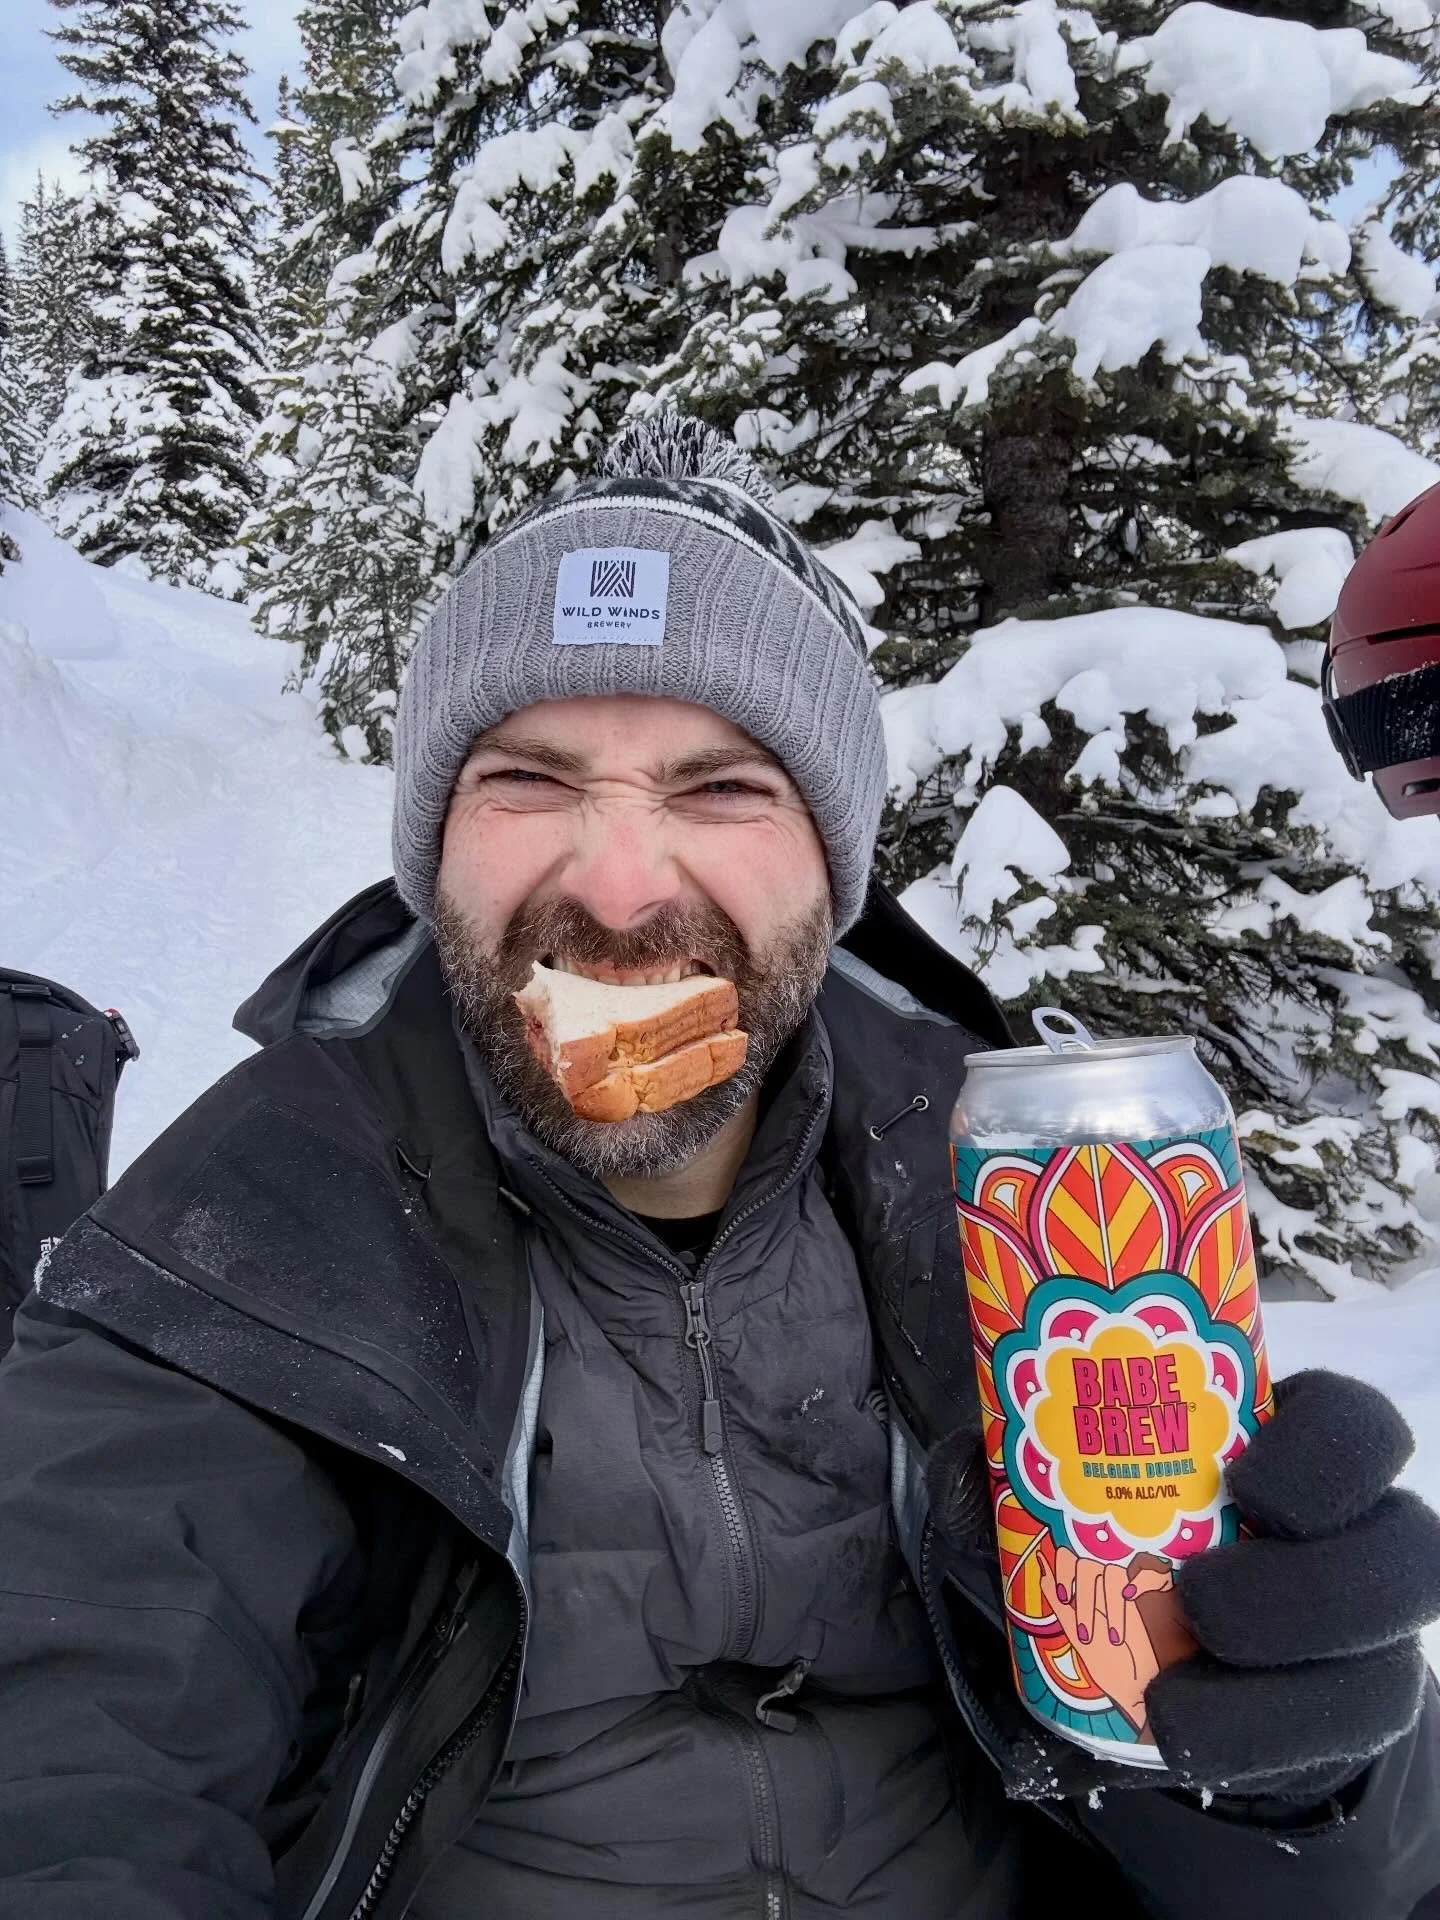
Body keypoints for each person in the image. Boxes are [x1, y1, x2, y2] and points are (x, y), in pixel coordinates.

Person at [1, 415, 1438, 1920]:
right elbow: (72, 1721)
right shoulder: (241, 1219)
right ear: (434, 853)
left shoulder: (1016, 1215)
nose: (620, 890)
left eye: (726, 788)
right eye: (528, 781)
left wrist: (1301, 1768)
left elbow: (1352, 1884)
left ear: (837, 865)